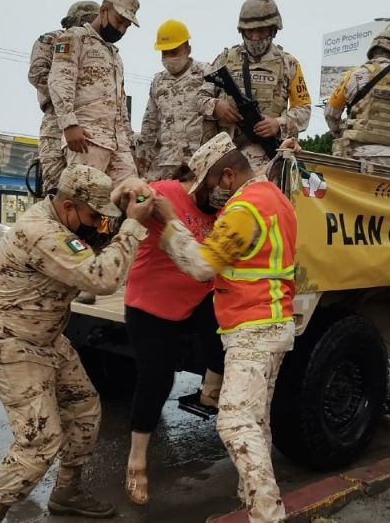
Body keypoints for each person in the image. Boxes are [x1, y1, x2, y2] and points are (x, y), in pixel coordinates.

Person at [0, 165, 155, 523]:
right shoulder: (42, 231)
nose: (97, 224)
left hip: (46, 339)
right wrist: (132, 225)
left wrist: (116, 204)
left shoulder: (63, 221)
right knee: (39, 441)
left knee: (84, 408)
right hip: (9, 342)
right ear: (69, 206)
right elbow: (101, 278)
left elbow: (96, 243)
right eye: (92, 216)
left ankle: (67, 492)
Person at [155, 133, 298, 523]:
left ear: (230, 176)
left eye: (214, 184)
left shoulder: (244, 209)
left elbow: (202, 265)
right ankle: (249, 500)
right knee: (256, 423)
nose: (212, 194)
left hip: (253, 328)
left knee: (234, 422)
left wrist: (169, 222)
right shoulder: (275, 199)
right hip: (272, 323)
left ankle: (267, 515)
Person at [121, 164, 225, 506]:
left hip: (198, 297)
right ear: (203, 180)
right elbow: (120, 198)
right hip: (152, 302)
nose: (222, 195)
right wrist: (132, 185)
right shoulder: (165, 193)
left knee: (230, 333)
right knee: (156, 379)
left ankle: (211, 390)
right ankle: (137, 460)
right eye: (217, 186)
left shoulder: (227, 207)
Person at [197, 0, 311, 172]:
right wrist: (216, 106)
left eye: (261, 31)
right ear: (242, 31)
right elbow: (200, 98)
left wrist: (278, 123)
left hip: (267, 160)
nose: (255, 37)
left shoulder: (288, 63)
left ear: (273, 30)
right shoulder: (225, 59)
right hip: (226, 156)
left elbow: (303, 110)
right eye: (249, 32)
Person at [48, 0, 141, 188]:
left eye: (127, 26)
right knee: (86, 202)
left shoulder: (114, 54)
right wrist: (69, 124)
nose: (122, 30)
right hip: (86, 140)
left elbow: (120, 104)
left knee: (133, 196)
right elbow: (59, 81)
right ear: (104, 10)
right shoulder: (75, 38)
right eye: (119, 22)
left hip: (118, 144)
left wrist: (129, 143)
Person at [28, 1, 100, 195]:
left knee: (86, 189)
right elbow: (37, 74)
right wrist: (69, 94)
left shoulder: (101, 49)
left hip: (90, 123)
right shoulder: (53, 39)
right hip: (56, 121)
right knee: (55, 188)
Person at [324, 30, 390, 168]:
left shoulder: (356, 74)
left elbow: (331, 115)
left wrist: (341, 131)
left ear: (373, 51)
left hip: (356, 156)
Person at [135, 19, 210, 181]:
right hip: (166, 164)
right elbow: (150, 123)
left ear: (187, 50)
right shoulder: (158, 81)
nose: (169, 58)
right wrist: (142, 156)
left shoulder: (206, 74)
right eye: (164, 53)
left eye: (174, 52)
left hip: (198, 162)